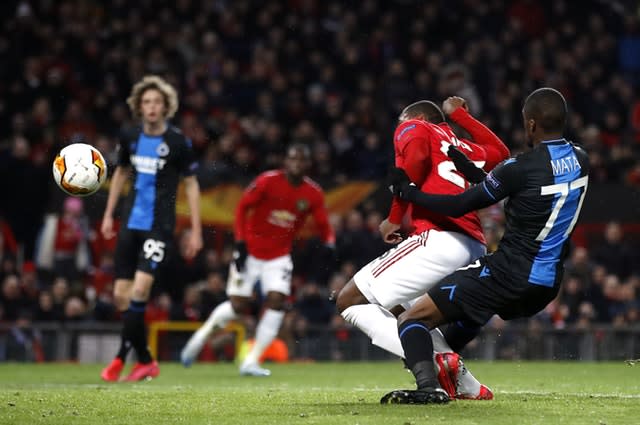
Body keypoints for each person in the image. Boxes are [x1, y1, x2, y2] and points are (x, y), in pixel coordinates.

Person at [382, 87, 589, 404]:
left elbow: (458, 205)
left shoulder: (518, 168)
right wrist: (472, 171)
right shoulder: (581, 159)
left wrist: (409, 193)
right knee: (469, 313)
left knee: (412, 319)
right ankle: (447, 368)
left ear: (531, 125)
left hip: (508, 274)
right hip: (547, 283)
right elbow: (525, 187)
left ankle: (429, 388)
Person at [335, 97, 509, 400]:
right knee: (406, 309)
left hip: (439, 237)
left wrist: (393, 219)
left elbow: (410, 169)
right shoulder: (464, 145)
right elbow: (502, 153)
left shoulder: (415, 126)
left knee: (349, 299)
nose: (399, 129)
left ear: (415, 117)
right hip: (473, 245)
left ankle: (436, 365)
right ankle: (466, 384)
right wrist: (462, 117)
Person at [180, 144, 335, 376]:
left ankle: (251, 361)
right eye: (293, 158)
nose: (297, 164)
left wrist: (329, 243)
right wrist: (241, 243)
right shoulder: (267, 181)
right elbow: (242, 208)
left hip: (279, 256)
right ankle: (200, 338)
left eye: (301, 160)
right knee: (238, 305)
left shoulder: (312, 193)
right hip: (250, 251)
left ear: (307, 165)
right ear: (286, 161)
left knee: (277, 300)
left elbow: (324, 224)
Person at [100, 75, 203, 382]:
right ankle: (143, 358)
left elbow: (192, 186)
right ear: (139, 106)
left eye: (157, 101)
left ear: (166, 106)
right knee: (121, 296)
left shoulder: (177, 142)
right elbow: (119, 174)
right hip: (130, 223)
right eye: (146, 102)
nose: (152, 107)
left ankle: (122, 357)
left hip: (159, 227)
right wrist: (108, 215)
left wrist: (196, 231)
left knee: (141, 290)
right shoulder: (129, 135)